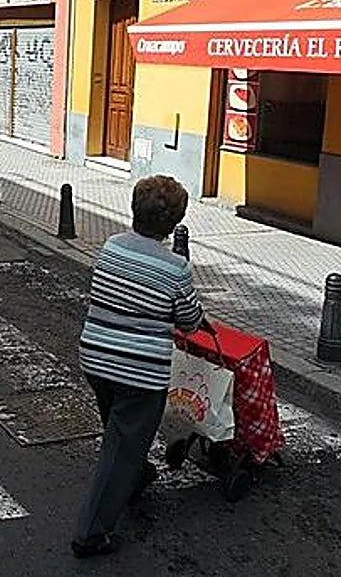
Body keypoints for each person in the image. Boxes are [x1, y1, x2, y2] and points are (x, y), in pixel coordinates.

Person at [73, 174, 205, 558]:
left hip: (95, 358)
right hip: (139, 372)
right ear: (175, 222)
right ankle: (90, 534)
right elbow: (189, 321)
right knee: (122, 446)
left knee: (120, 433)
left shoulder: (112, 247)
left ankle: (135, 475)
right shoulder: (175, 267)